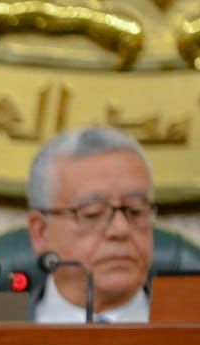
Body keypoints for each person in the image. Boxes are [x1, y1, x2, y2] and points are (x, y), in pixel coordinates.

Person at [26, 127, 156, 323]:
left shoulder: (199, 327)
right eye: (93, 214)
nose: (120, 229)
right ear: (41, 232)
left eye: (136, 211)